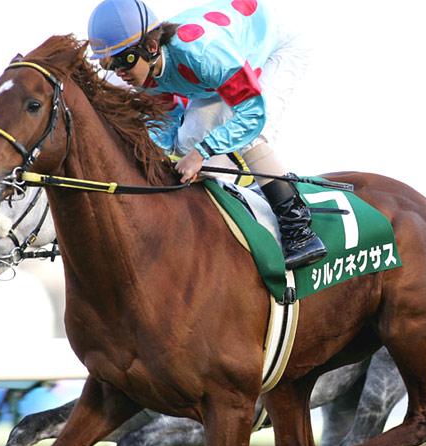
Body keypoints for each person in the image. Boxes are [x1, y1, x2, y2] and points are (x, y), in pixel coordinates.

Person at [88, 0, 327, 270]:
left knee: (245, 132)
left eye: (125, 60)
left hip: (273, 50)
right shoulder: (145, 73)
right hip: (218, 70)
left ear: (151, 47)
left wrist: (201, 154)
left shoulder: (201, 53)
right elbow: (168, 122)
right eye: (111, 65)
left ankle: (299, 229)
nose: (120, 72)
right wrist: (157, 159)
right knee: (187, 140)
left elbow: (252, 113)